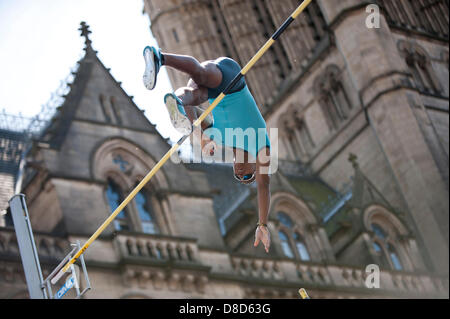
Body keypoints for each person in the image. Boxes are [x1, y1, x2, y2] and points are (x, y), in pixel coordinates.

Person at [143, 46, 271, 253]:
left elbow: (197, 114)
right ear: (253, 166)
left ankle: (175, 101)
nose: (238, 173)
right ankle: (161, 57)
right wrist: (262, 224)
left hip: (211, 94)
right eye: (245, 175)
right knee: (200, 73)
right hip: (232, 81)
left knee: (190, 99)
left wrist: (201, 138)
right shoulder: (260, 144)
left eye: (237, 175)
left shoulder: (221, 139)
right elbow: (264, 186)